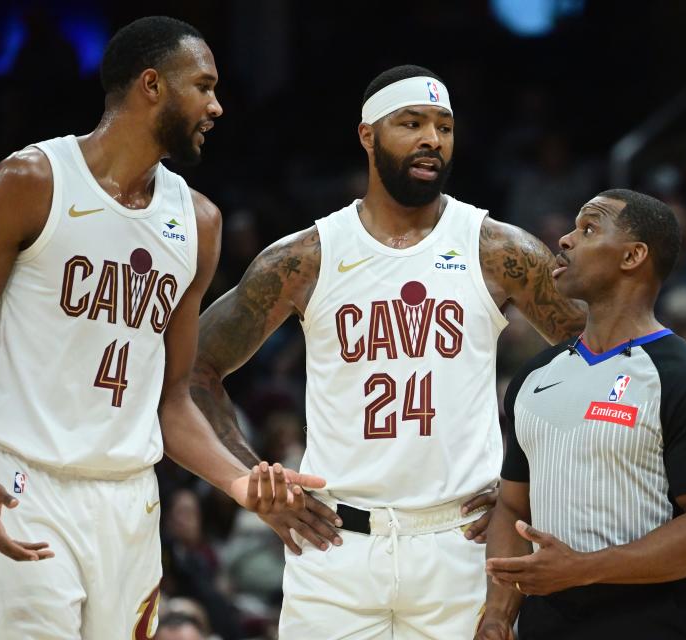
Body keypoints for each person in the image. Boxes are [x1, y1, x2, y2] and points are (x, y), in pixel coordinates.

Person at [0, 16, 321, 639]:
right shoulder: (32, 182)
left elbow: (173, 400)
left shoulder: (198, 222)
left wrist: (241, 485)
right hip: (27, 484)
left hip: (130, 499)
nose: (217, 105)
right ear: (152, 85)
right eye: (203, 86)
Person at [192, 65, 586, 638]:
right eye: (412, 123)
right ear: (367, 135)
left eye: (445, 126)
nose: (433, 138)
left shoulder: (497, 250)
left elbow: (604, 361)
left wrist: (535, 479)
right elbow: (193, 371)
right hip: (333, 546)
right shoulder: (304, 258)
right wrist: (251, 480)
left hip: (462, 542)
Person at [476, 189, 686, 639]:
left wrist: (582, 569)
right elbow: (512, 505)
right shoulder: (534, 376)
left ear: (633, 256)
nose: (564, 240)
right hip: (548, 618)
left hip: (651, 618)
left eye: (588, 229)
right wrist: (499, 615)